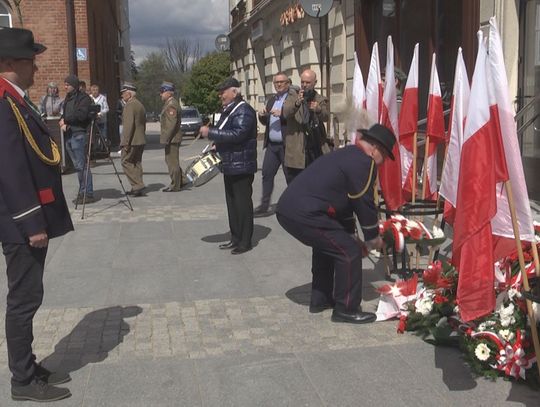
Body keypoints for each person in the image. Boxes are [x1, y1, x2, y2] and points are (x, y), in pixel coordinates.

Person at [0, 27, 73, 402]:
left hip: (27, 217)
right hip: (19, 222)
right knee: (24, 299)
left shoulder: (16, 98)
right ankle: (22, 381)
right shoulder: (3, 100)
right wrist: (32, 222)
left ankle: (27, 364)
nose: (37, 67)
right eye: (31, 60)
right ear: (10, 63)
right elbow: (10, 169)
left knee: (29, 295)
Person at [276, 123, 395, 324]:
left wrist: (351, 235)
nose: (383, 163)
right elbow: (362, 201)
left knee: (330, 246)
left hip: (291, 208)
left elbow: (344, 205)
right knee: (348, 252)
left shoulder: (348, 154)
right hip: (306, 213)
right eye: (385, 156)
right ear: (376, 149)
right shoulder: (363, 162)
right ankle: (346, 309)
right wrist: (372, 238)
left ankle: (320, 299)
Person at [199, 78, 257, 254]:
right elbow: (229, 134)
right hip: (231, 162)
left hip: (242, 164)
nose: (220, 95)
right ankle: (235, 238)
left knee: (242, 204)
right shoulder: (230, 110)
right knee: (232, 204)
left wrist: (211, 132)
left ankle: (245, 241)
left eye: (223, 91)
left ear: (235, 91)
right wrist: (218, 144)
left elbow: (238, 134)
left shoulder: (244, 110)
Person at [253, 72, 296, 217]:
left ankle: (294, 205)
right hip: (272, 145)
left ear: (288, 83)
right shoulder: (272, 100)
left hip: (286, 144)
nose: (278, 85)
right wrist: (262, 116)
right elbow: (267, 122)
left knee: (289, 176)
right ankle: (264, 206)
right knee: (266, 173)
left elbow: (294, 116)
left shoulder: (292, 99)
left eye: (281, 82)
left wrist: (282, 112)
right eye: (276, 82)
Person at [282, 68, 330, 183]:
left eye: (308, 82)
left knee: (316, 183)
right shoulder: (292, 97)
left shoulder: (320, 99)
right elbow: (285, 113)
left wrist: (318, 110)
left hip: (315, 147)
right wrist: (297, 103)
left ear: (315, 83)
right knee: (296, 184)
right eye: (302, 82)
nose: (304, 85)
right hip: (297, 150)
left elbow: (326, 116)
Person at [60, 74, 96, 204]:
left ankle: (88, 193)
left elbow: (81, 115)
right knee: (77, 166)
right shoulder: (68, 99)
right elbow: (65, 114)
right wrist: (62, 121)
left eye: (67, 84)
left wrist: (66, 120)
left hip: (79, 134)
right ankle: (82, 191)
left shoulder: (83, 98)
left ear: (74, 85)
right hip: (69, 134)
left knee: (82, 165)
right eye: (64, 84)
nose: (65, 87)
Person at [159, 81, 189, 192]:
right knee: (170, 160)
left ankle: (175, 185)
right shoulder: (170, 103)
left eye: (162, 91)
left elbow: (171, 124)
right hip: (172, 137)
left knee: (172, 162)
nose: (160, 94)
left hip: (172, 138)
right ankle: (182, 180)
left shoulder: (171, 104)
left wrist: (166, 139)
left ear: (168, 92)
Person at [119, 82, 146, 196]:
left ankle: (137, 185)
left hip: (132, 140)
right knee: (136, 163)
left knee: (125, 161)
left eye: (123, 93)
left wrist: (125, 142)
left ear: (129, 94)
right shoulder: (139, 104)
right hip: (140, 139)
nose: (122, 95)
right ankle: (138, 187)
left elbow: (128, 126)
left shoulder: (129, 105)